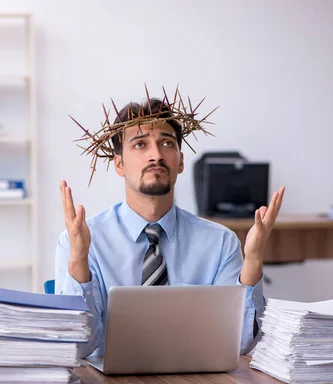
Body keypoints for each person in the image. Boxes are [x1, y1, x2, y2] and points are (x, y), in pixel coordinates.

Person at [55, 95, 285, 359]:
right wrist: (79, 261)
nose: (156, 155)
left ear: (181, 161)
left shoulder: (220, 242)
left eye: (166, 143)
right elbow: (79, 348)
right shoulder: (81, 241)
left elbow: (242, 343)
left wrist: (254, 259)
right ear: (119, 164)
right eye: (140, 144)